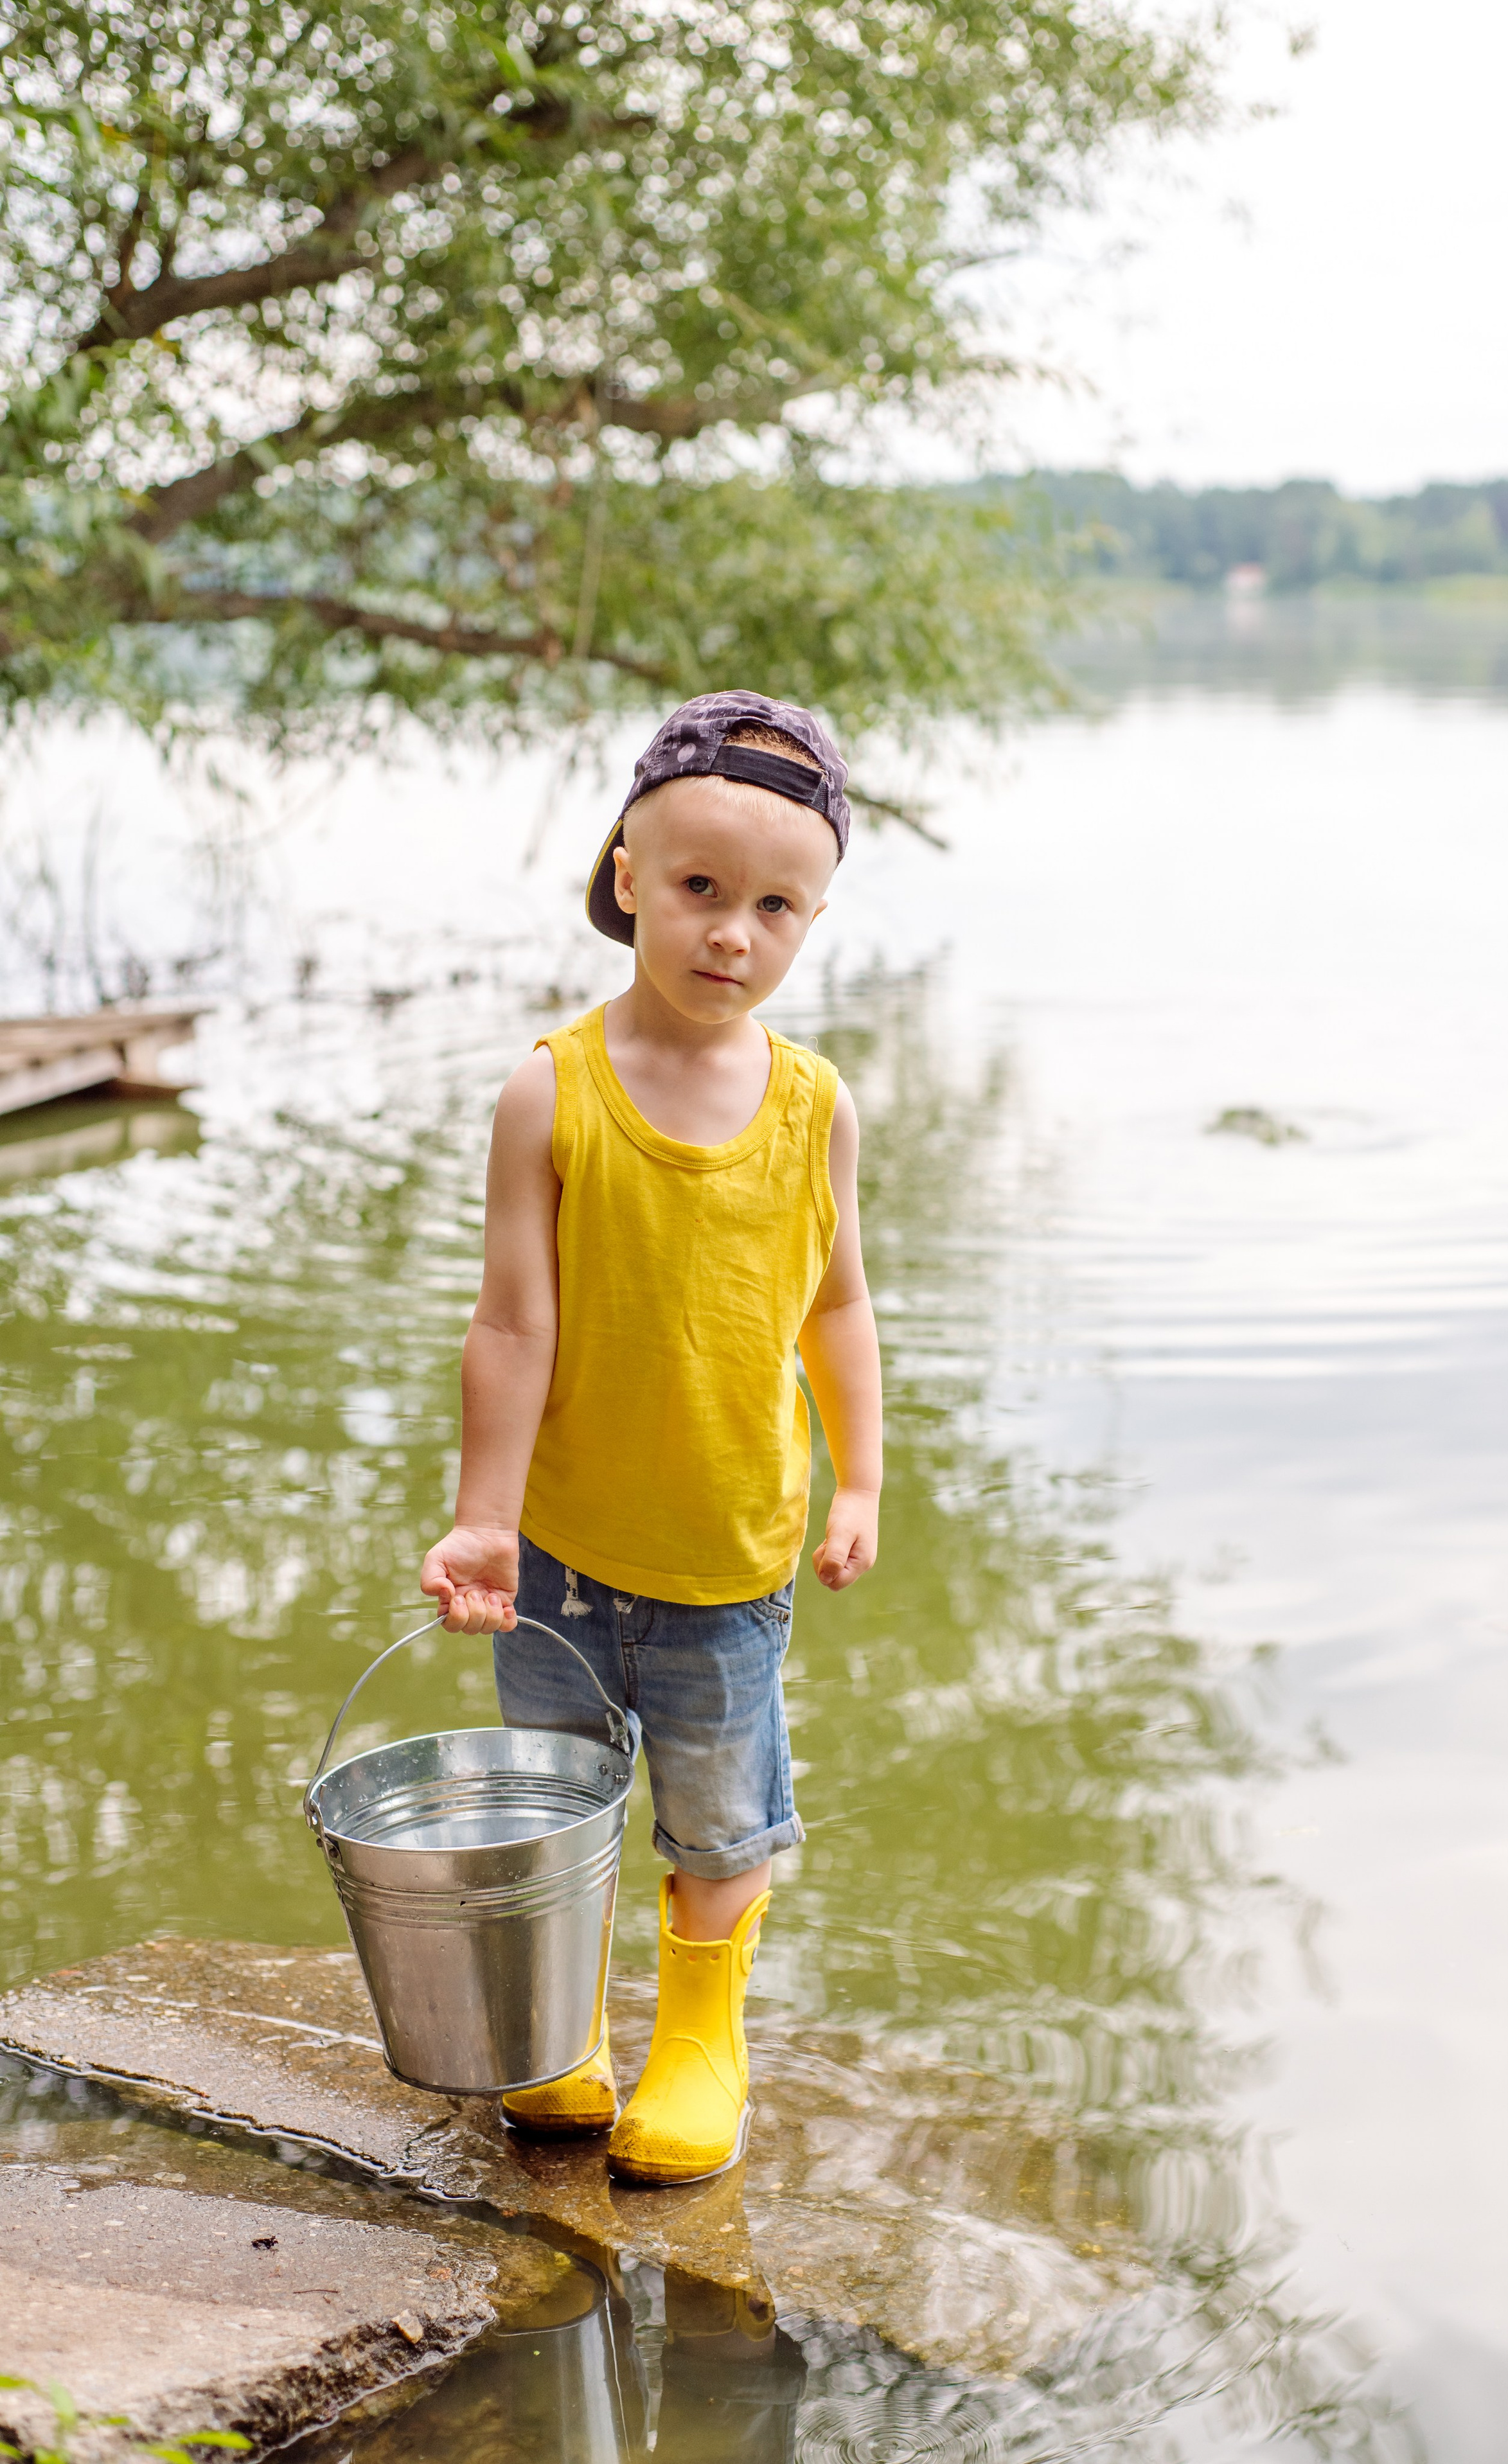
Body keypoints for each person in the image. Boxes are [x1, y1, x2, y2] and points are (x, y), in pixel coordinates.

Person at [420, 689, 882, 2185]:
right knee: (554, 1796)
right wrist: (486, 1515)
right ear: (629, 874)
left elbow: (839, 1306)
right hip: (560, 1549)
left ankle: (698, 2039)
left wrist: (860, 1472)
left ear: (810, 919)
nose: (730, 934)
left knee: (717, 1813)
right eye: (697, 890)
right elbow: (510, 1325)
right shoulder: (549, 1089)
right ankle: (559, 2026)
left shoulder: (813, 1107)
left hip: (727, 1553)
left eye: (773, 907)